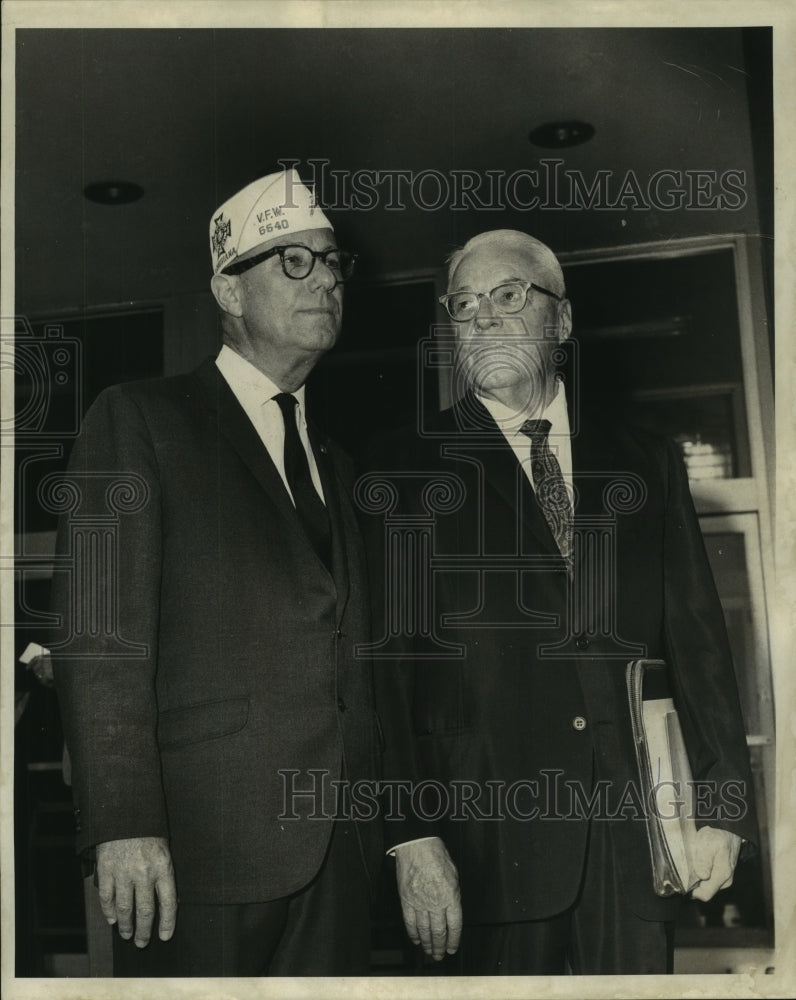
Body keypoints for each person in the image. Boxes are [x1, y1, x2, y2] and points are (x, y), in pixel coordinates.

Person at [364, 229, 757, 975]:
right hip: (485, 855)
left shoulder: (648, 463)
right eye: (463, 304)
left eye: (507, 295)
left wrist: (725, 809)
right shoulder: (403, 469)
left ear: (563, 320)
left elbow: (700, 647)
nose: (480, 318)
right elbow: (386, 675)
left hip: (638, 846)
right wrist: (411, 835)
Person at [50, 169, 381, 976]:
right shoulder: (139, 419)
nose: (325, 281)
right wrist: (125, 821)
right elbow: (99, 638)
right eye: (292, 262)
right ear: (227, 293)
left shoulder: (339, 464)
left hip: (338, 860)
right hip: (198, 854)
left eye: (332, 262)